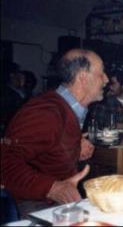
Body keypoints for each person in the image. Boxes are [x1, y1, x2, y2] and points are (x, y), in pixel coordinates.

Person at [1, 49, 109, 217]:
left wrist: (74, 142)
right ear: (82, 77)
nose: (106, 79)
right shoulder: (45, 112)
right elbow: (5, 163)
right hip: (34, 205)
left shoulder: (66, 108)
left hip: (54, 202)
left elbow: (49, 140)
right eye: (101, 73)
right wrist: (53, 188)